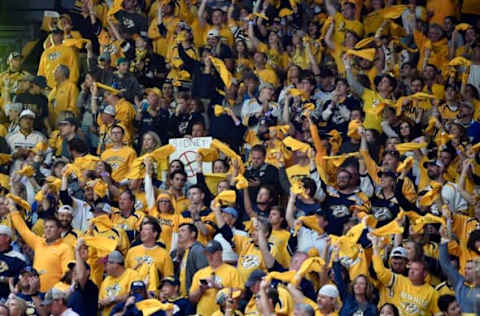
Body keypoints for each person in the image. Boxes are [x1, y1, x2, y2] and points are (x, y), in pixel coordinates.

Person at [7, 200, 74, 292]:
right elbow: (23, 230)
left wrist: (55, 293)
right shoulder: (38, 242)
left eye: (51, 227)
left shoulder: (65, 248)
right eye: (46, 227)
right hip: (34, 292)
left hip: (52, 297)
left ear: (60, 230)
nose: (48, 230)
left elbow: (68, 275)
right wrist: (12, 209)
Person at [188, 240, 243, 316]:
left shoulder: (232, 271)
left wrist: (219, 287)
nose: (210, 256)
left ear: (220, 252)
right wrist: (201, 290)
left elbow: (241, 294)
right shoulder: (199, 273)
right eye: (207, 254)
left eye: (212, 253)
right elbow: (192, 299)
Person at [171, 223, 208, 297]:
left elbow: (204, 273)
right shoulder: (177, 252)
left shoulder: (198, 250)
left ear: (193, 234)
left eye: (183, 230)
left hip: (193, 296)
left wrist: (196, 293)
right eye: (178, 231)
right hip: (180, 296)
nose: (179, 234)